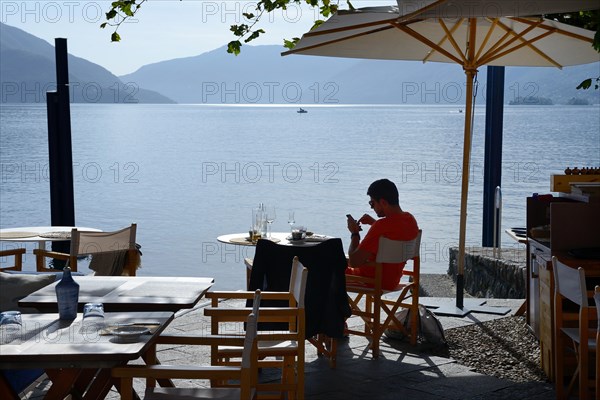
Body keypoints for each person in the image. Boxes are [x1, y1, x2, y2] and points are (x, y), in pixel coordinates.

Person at [346, 178, 419, 290]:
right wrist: (373, 223)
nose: (372, 207)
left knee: (326, 265)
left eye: (372, 203)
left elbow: (354, 261)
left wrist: (354, 234)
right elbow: (395, 233)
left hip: (370, 281)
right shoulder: (410, 220)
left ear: (383, 202)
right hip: (392, 281)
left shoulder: (381, 226)